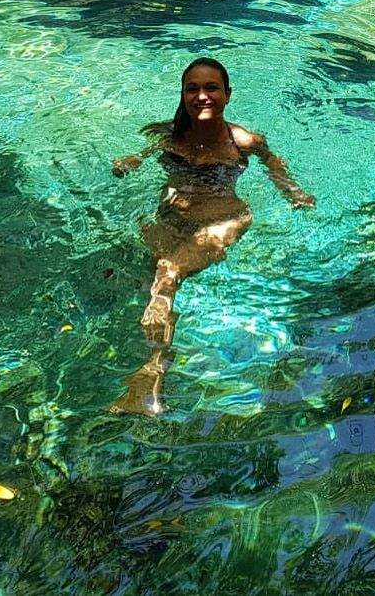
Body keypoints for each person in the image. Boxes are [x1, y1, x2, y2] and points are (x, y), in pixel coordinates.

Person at [108, 57, 314, 416]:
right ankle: (151, 365)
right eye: (193, 88)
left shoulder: (244, 140)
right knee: (152, 284)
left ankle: (150, 379)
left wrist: (294, 193)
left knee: (167, 274)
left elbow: (274, 164)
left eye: (211, 87)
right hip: (172, 217)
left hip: (224, 220)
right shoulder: (168, 138)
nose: (202, 95)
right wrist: (131, 161)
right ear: (184, 95)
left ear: (228, 94)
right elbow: (144, 154)